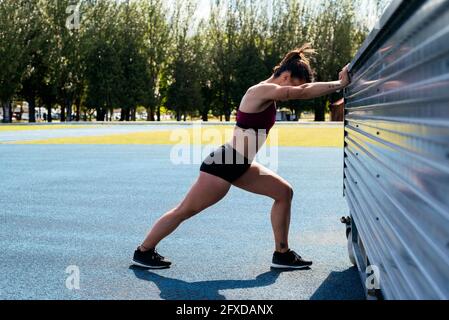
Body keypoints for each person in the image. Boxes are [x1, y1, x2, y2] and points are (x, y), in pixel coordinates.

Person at [132, 43, 351, 270]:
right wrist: (339, 84)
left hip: (241, 164)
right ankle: (144, 251)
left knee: (284, 192)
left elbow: (298, 91)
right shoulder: (259, 91)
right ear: (285, 76)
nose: (297, 92)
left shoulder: (269, 95)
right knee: (185, 210)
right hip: (225, 164)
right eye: (296, 84)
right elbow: (301, 92)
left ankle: (282, 254)